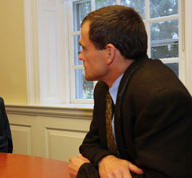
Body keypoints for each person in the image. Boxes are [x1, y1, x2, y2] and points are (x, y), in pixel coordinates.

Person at [68, 5, 192, 178]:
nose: (80, 56)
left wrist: (85, 173)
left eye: (84, 48)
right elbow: (89, 145)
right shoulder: (104, 88)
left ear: (109, 53)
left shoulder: (161, 97)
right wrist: (106, 159)